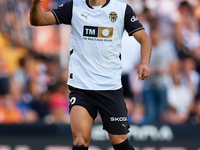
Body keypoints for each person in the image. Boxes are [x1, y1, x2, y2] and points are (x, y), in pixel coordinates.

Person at [30, 0, 152, 149]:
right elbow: (38, 20)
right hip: (81, 87)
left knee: (120, 143)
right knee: (80, 141)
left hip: (110, 87)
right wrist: (36, 4)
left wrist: (144, 63)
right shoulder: (74, 7)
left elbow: (144, 39)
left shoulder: (122, 9)